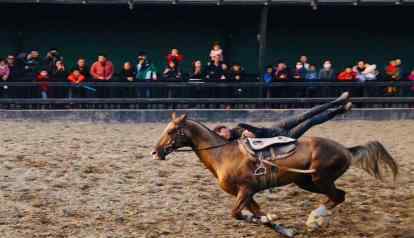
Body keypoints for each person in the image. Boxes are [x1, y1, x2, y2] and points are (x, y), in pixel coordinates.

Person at [213, 92, 352, 141]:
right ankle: (339, 110)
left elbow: (250, 131)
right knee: (310, 121)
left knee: (306, 114)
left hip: (275, 128)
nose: (223, 135)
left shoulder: (239, 127)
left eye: (221, 132)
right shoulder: (233, 144)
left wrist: (245, 133)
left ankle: (337, 101)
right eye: (220, 135)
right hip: (281, 138)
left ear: (224, 128)